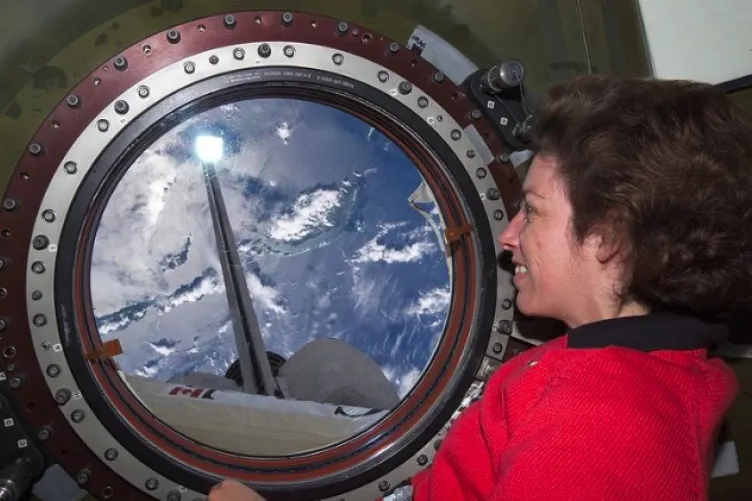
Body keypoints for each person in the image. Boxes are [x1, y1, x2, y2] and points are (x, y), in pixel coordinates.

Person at [208, 75, 752, 500]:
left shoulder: (599, 433)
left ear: (605, 237)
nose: (508, 236)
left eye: (532, 213)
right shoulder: (638, 370)